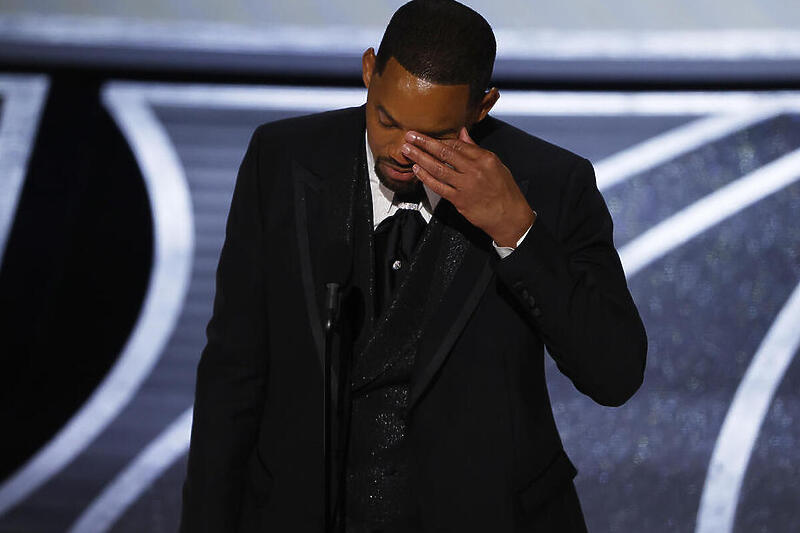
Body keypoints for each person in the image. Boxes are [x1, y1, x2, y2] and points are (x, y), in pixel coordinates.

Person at [179, 1, 647, 531]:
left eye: (434, 137)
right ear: (368, 71)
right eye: (386, 119)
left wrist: (518, 231)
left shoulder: (550, 184)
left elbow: (615, 374)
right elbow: (232, 377)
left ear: (482, 107)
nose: (403, 151)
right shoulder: (282, 159)